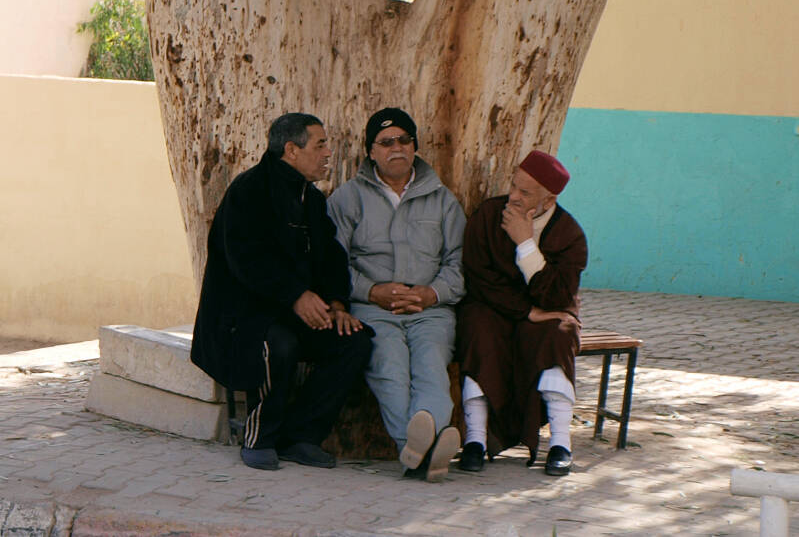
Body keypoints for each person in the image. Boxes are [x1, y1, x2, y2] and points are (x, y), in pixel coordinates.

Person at [191, 112, 373, 471]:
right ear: (291, 149)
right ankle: (259, 436)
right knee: (279, 344)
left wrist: (336, 303)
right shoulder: (248, 191)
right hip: (243, 319)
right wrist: (295, 295)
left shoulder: (312, 200)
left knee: (355, 340)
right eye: (320, 145)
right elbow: (247, 263)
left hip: (293, 313)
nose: (328, 153)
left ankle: (301, 437)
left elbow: (330, 258)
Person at [328, 108, 466, 482]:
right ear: (371, 151)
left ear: (415, 146)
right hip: (372, 309)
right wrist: (371, 291)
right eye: (386, 142)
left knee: (431, 368)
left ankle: (415, 455)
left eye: (405, 140)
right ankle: (427, 449)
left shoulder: (442, 200)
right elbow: (331, 264)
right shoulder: (347, 198)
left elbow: (458, 265)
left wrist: (430, 293)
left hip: (430, 311)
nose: (397, 148)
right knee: (389, 367)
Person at [456, 150, 587, 477]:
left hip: (546, 315)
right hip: (495, 309)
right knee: (478, 326)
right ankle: (475, 441)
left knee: (560, 332)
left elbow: (558, 296)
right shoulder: (487, 215)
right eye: (514, 186)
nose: (513, 197)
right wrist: (527, 311)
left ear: (548, 200)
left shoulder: (570, 235)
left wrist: (526, 244)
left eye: (525, 193)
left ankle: (560, 443)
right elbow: (478, 278)